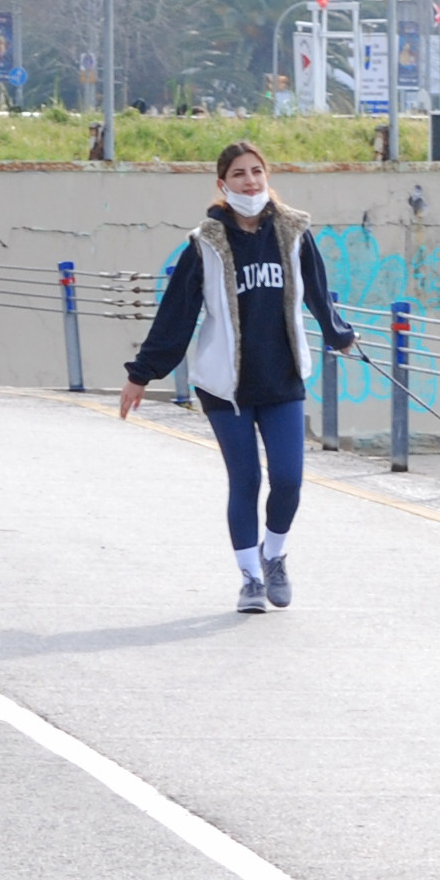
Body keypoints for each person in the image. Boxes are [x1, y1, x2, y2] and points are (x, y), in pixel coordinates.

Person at [120, 141, 358, 613]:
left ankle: (274, 555)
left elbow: (318, 293)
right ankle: (250, 578)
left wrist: (339, 336)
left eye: (256, 172)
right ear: (222, 185)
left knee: (288, 479)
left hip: (282, 378)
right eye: (238, 175)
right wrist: (141, 375)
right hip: (224, 385)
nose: (250, 182)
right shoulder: (205, 243)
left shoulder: (293, 233)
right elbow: (177, 316)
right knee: (245, 479)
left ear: (267, 177)